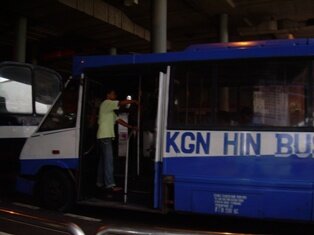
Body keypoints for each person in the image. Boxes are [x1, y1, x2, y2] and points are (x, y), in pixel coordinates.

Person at [96, 89, 138, 193]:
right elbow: (121, 102)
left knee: (103, 161)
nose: (115, 95)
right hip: (105, 136)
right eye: (113, 93)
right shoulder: (107, 103)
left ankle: (99, 182)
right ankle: (110, 185)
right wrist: (133, 101)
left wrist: (131, 126)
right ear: (108, 94)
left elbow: (118, 120)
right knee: (109, 161)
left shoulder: (109, 109)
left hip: (103, 136)